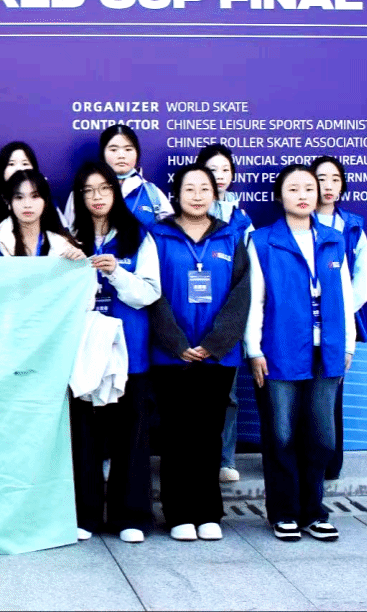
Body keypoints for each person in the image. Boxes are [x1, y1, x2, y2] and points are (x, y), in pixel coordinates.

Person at [246, 164, 356, 542]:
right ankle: (284, 513)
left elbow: (345, 295)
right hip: (280, 349)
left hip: (327, 350)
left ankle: (314, 513)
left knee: (323, 437)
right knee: (281, 435)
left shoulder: (333, 239)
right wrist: (253, 348)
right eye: (293, 189)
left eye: (309, 187)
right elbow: (254, 300)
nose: (303, 195)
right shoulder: (263, 241)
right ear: (280, 196)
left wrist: (348, 344)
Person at [147, 164, 251, 542]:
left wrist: (216, 342)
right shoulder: (156, 235)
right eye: (189, 188)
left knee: (208, 434)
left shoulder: (230, 236)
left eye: (204, 188)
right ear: (176, 194)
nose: (196, 195)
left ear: (215, 194)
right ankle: (178, 514)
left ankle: (208, 511)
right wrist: (176, 343)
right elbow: (151, 292)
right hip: (171, 354)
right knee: (176, 434)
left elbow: (242, 294)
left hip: (217, 356)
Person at [69, 162, 161, 544]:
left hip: (129, 350)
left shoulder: (138, 236)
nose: (97, 197)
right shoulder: (69, 237)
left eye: (104, 188)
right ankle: (85, 515)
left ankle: (131, 517)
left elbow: (150, 293)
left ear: (116, 192)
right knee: (84, 437)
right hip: (83, 351)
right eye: (88, 190)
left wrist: (116, 274)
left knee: (131, 436)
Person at [196, 143, 254, 484]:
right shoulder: (182, 214)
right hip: (189, 319)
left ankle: (225, 459)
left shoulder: (241, 220)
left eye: (225, 170)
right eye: (212, 169)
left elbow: (249, 274)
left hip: (228, 318)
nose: (219, 176)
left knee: (227, 395)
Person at [311, 155, 367, 481]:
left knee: (331, 393)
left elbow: (359, 286)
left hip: (338, 324)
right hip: (302, 326)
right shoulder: (298, 223)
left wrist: (338, 316)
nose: (328, 186)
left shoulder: (353, 228)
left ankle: (330, 464)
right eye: (321, 178)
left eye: (335, 179)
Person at [65, 125, 172, 230]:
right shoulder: (84, 191)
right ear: (103, 153)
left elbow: (168, 234)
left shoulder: (152, 192)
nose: (121, 155)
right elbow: (70, 234)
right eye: (113, 150)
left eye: (128, 149)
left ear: (137, 153)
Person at [0, 170, 85, 260]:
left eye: (35, 196)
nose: (27, 205)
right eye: (19, 197)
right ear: (9, 202)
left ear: (45, 201)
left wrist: (80, 263)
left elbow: (79, 279)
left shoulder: (63, 245)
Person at [0, 141, 51, 243]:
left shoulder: (48, 206)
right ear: (2, 170)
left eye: (25, 163)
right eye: (11, 164)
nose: (19, 169)